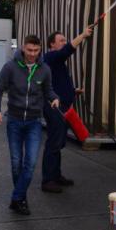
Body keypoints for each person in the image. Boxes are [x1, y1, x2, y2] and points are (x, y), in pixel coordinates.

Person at [0, 34, 59, 215]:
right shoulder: (10, 67)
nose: (32, 54)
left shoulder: (44, 69)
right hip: (14, 121)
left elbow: (48, 90)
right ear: (23, 48)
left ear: (40, 50)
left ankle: (17, 197)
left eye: (36, 51)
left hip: (34, 122)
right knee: (16, 163)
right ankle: (20, 198)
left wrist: (54, 98)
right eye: (29, 50)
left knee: (30, 163)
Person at [40, 24, 93, 193]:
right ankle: (48, 180)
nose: (64, 42)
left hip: (63, 107)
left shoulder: (57, 62)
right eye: (61, 40)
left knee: (59, 142)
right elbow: (67, 50)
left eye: (64, 40)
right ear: (52, 45)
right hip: (54, 107)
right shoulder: (50, 57)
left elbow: (57, 83)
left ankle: (56, 176)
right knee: (54, 142)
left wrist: (73, 91)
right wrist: (83, 35)